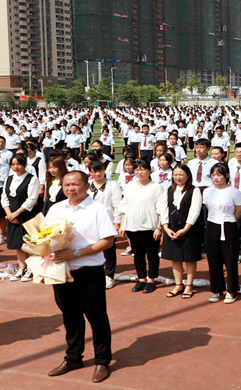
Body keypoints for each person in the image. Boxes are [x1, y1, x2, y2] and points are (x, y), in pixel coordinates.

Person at [46, 171, 116, 383]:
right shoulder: (56, 208)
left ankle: (102, 361)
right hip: (61, 271)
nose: (71, 188)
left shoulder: (98, 209)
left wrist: (76, 253)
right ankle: (73, 357)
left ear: (87, 185)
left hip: (88, 271)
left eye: (76, 184)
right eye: (67, 184)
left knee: (97, 317)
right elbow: (45, 235)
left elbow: (107, 241)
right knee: (70, 316)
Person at [117, 159, 166, 294]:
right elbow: (125, 206)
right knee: (137, 254)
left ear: (149, 171)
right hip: (132, 225)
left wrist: (158, 227)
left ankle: (151, 279)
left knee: (152, 254)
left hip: (150, 226)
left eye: (143, 169)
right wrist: (122, 224)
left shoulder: (156, 187)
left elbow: (160, 208)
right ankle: (141, 279)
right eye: (137, 169)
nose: (140, 172)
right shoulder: (131, 186)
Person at [160, 164, 203, 299]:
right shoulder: (169, 190)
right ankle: (178, 285)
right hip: (171, 228)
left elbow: (195, 211)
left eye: (181, 174)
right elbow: (163, 209)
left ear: (188, 176)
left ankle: (189, 286)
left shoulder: (194, 190)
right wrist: (165, 227)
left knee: (189, 258)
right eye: (175, 174)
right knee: (175, 257)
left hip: (188, 229)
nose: (178, 177)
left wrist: (186, 228)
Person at [204, 163, 241, 304]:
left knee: (230, 259)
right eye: (213, 174)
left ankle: (232, 290)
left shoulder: (234, 192)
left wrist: (228, 220)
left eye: (219, 174)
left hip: (228, 226)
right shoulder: (207, 191)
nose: (216, 177)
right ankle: (217, 290)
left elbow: (238, 211)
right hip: (212, 226)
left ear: (227, 175)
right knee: (214, 259)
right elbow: (209, 207)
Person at [1, 155, 41, 283]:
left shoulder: (32, 179)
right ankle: (22, 268)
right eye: (13, 164)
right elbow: (4, 198)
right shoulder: (8, 179)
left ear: (24, 164)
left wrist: (16, 214)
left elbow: (31, 199)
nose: (15, 167)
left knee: (29, 242)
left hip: (26, 214)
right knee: (18, 243)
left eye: (18, 164)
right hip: (11, 214)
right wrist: (9, 214)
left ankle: (31, 268)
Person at [86, 161, 123, 289]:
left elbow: (117, 205)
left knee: (108, 250)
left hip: (107, 222)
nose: (97, 174)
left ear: (104, 170)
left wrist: (117, 223)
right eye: (94, 171)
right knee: (92, 249)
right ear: (90, 172)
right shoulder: (88, 185)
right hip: (90, 223)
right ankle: (95, 274)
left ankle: (109, 276)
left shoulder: (112, 185)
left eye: (99, 170)